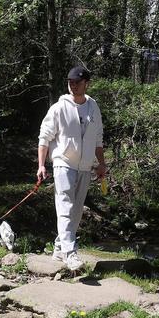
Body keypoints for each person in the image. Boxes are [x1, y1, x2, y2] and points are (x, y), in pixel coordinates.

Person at [36, 66, 105, 271]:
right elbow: (44, 137)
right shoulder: (59, 108)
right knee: (65, 206)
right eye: (70, 82)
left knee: (76, 211)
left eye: (77, 82)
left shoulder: (93, 107)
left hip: (85, 165)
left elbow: (98, 139)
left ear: (86, 83)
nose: (73, 85)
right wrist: (41, 165)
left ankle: (59, 247)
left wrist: (101, 164)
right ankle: (70, 252)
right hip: (63, 162)